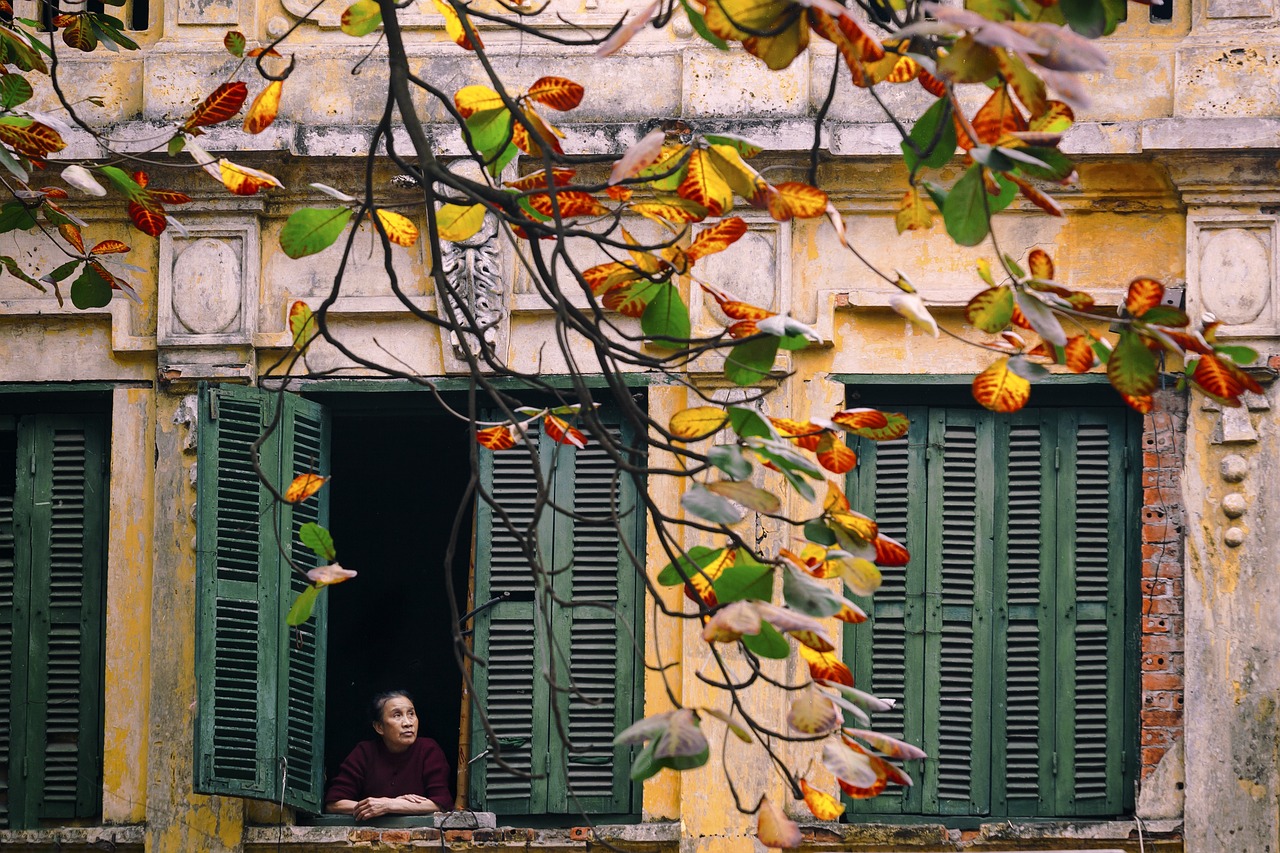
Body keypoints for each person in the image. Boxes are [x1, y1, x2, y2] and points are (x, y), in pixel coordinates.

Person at [325, 689, 455, 818]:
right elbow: (334, 804)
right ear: (379, 727)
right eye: (397, 715)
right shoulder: (365, 752)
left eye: (411, 714)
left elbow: (441, 804)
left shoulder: (428, 749)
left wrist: (389, 805)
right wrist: (374, 807)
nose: (408, 723)